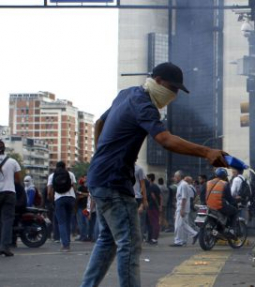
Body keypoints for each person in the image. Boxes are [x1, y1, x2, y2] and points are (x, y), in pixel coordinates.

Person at [80, 62, 228, 287]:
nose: (174, 94)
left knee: (107, 240)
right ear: (157, 80)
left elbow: (100, 122)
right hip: (113, 180)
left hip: (99, 177)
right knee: (129, 243)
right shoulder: (144, 105)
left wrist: (100, 155)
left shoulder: (126, 94)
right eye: (172, 87)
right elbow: (165, 139)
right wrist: (207, 152)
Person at [48, 161, 77, 252]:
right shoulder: (71, 174)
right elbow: (74, 187)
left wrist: (52, 201)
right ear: (65, 167)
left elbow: (49, 192)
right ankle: (67, 242)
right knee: (68, 221)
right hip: (70, 198)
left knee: (61, 222)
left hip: (59, 199)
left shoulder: (52, 176)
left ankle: (65, 245)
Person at [0, 139, 21, 257]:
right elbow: (18, 180)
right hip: (9, 192)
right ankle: (5, 247)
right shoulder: (12, 161)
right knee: (7, 220)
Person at [205, 168, 238, 235]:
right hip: (218, 206)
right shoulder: (225, 184)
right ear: (224, 176)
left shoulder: (208, 182)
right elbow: (229, 198)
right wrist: (235, 202)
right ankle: (231, 229)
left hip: (209, 205)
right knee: (234, 211)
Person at [171, 171, 198, 247]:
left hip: (182, 207)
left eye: (176, 177)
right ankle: (185, 239)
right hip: (181, 207)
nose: (174, 178)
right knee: (183, 224)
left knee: (178, 225)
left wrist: (182, 209)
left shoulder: (183, 185)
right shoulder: (181, 185)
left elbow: (184, 198)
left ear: (179, 177)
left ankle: (179, 241)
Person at [145, 173, 161, 245]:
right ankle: (150, 238)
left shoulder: (153, 187)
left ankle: (154, 238)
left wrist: (159, 206)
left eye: (147, 178)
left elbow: (158, 197)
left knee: (154, 222)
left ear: (150, 179)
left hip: (153, 207)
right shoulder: (151, 186)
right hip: (150, 207)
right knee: (149, 223)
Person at [132, 164, 147, 239]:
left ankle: (138, 239)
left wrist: (144, 201)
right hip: (126, 197)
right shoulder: (122, 166)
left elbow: (143, 185)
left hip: (136, 197)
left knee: (138, 220)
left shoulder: (139, 169)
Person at [76, 176, 90, 241]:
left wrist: (82, 194)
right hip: (81, 207)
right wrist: (85, 194)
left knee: (85, 223)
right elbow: (78, 196)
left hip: (86, 207)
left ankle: (85, 236)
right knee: (82, 223)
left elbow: (89, 195)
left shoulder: (89, 187)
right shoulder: (80, 188)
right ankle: (83, 236)